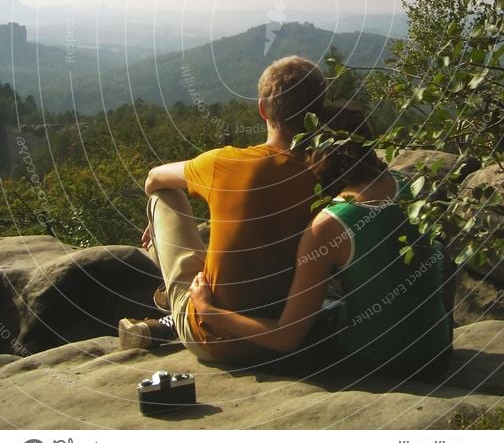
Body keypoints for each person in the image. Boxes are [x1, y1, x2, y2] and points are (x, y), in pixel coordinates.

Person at [189, 108, 454, 377]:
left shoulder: (328, 226)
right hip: (438, 355)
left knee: (303, 314)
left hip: (374, 364)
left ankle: (167, 323)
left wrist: (209, 311)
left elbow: (287, 338)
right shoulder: (407, 185)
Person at [119, 55, 326, 363]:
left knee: (163, 198)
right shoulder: (329, 173)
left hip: (212, 338)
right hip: (294, 329)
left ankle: (176, 309)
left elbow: (154, 179)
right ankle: (167, 317)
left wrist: (160, 230)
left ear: (262, 108)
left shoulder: (225, 163)